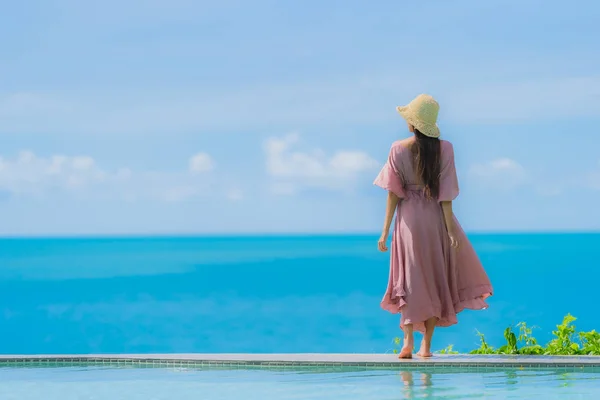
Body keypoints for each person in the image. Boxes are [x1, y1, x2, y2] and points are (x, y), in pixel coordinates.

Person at [374, 94, 493, 359]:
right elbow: (446, 195)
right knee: (434, 279)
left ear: (412, 123)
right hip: (435, 219)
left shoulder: (398, 148)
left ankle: (407, 342)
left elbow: (393, 194)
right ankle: (426, 346)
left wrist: (385, 231)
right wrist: (450, 230)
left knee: (409, 280)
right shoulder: (446, 149)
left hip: (408, 221)